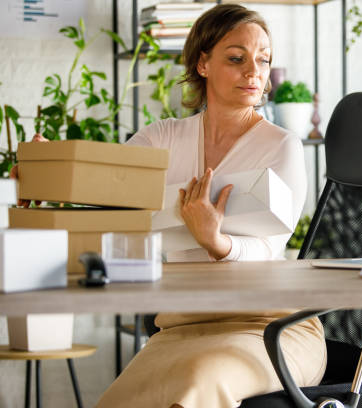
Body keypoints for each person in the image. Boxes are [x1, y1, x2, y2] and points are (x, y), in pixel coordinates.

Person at [13, 4, 326, 408]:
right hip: (182, 330)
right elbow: (105, 183)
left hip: (271, 327)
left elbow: (269, 248)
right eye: (236, 58)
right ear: (202, 64)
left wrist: (218, 243)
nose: (254, 71)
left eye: (263, 60)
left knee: (198, 382)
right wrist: (48, 167)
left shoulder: (281, 146)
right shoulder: (163, 136)